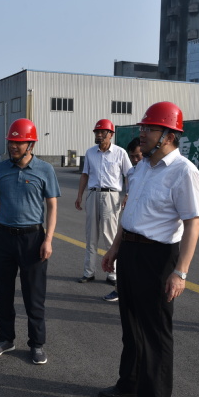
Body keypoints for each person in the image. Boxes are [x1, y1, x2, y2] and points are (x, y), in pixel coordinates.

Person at [98, 101, 199, 397]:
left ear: (169, 135)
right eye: (142, 128)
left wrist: (180, 272)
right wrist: (115, 248)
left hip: (158, 257)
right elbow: (129, 212)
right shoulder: (141, 167)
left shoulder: (184, 171)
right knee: (130, 325)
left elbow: (193, 223)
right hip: (130, 251)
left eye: (149, 128)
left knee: (155, 331)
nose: (141, 133)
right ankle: (128, 382)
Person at [0, 119, 60, 365]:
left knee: (34, 295)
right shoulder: (0, 169)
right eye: (11, 142)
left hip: (33, 239)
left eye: (19, 142)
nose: (13, 146)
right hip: (4, 236)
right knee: (3, 292)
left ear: (31, 144)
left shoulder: (45, 169)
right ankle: (6, 339)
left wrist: (48, 239)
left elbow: (52, 206)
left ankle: (36, 344)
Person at [75, 119, 131, 285]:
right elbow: (85, 174)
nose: (98, 135)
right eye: (96, 132)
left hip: (111, 196)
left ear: (110, 134)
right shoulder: (90, 152)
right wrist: (80, 195)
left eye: (102, 132)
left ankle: (112, 274)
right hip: (92, 194)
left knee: (110, 236)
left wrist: (128, 194)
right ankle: (88, 272)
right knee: (91, 236)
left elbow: (129, 175)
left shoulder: (120, 153)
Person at [102, 137, 143, 303]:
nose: (135, 160)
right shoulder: (132, 173)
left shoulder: (157, 173)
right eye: (132, 156)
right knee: (124, 261)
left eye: (138, 156)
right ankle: (119, 290)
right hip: (130, 224)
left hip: (147, 228)